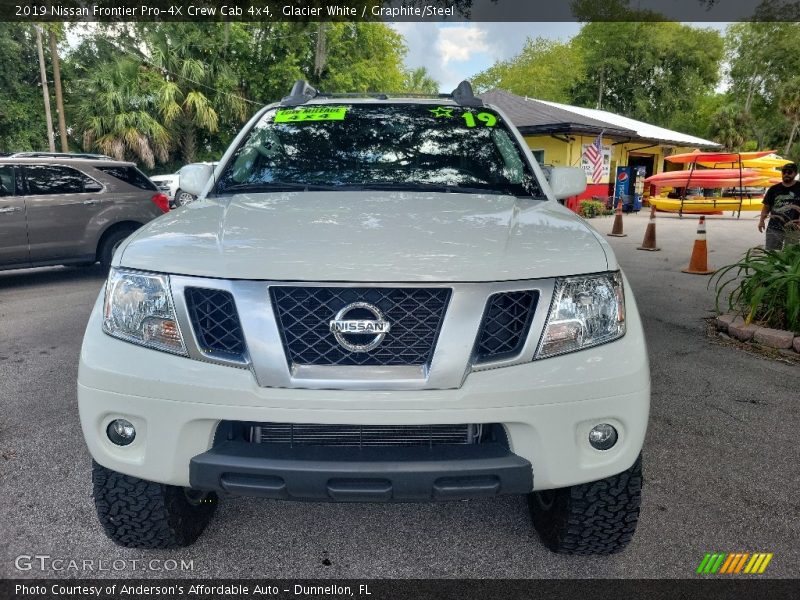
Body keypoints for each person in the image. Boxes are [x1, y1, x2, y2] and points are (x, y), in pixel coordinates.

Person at [758, 162, 800, 250]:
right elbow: (766, 207)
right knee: (772, 255)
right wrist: (761, 221)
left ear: (795, 173)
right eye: (784, 172)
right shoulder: (774, 189)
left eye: (789, 172)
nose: (786, 174)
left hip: (794, 229)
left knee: (790, 257)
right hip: (774, 227)